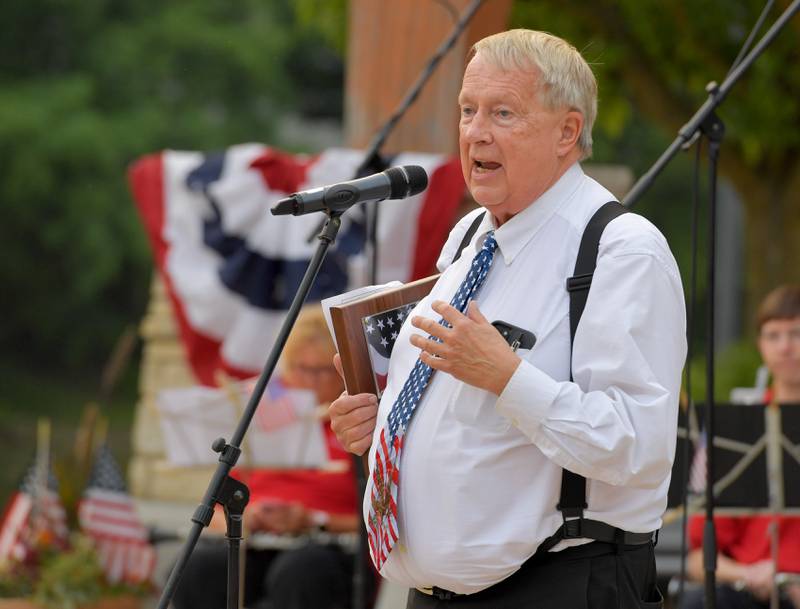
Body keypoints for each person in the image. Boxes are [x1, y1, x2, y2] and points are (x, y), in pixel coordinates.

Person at [329, 29, 686, 609]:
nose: (475, 132)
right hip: (434, 591)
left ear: (567, 132)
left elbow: (635, 447)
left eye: (503, 112)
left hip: (563, 583)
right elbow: (458, 411)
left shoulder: (622, 250)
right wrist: (384, 423)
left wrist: (507, 377)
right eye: (468, 110)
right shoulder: (471, 235)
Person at [172, 304, 362, 609]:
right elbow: (214, 510)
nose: (312, 381)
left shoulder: (358, 422)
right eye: (302, 369)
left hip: (326, 547)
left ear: (342, 370)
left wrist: (315, 520)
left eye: (323, 370)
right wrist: (243, 519)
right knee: (197, 568)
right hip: (254, 540)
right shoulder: (266, 417)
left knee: (299, 572)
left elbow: (376, 519)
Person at [682, 285, 800, 609]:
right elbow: (696, 561)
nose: (785, 347)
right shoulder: (735, 432)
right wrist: (749, 573)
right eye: (773, 336)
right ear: (760, 345)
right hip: (749, 587)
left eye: (795, 334)